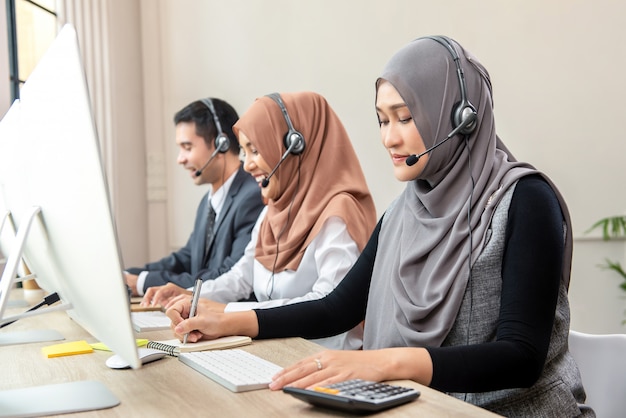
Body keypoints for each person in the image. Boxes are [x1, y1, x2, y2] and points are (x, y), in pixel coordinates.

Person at [165, 37, 594, 417]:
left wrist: (386, 363)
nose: (388, 138)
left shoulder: (525, 199)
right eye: (382, 120)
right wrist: (230, 321)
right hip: (427, 408)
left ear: (461, 117)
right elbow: (337, 308)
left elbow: (521, 357)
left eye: (405, 117)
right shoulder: (403, 213)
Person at [145, 91, 377, 350]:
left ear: (294, 146)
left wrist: (228, 314)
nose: (247, 165)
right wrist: (194, 297)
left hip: (327, 357)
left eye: (255, 150)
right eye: (245, 151)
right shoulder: (272, 211)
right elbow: (242, 276)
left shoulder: (338, 212)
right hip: (278, 348)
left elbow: (328, 303)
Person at [124, 98, 265, 297]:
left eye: (187, 147)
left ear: (220, 144)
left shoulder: (252, 196)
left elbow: (227, 276)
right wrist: (129, 275)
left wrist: (141, 283)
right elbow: (186, 259)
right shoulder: (208, 202)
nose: (180, 159)